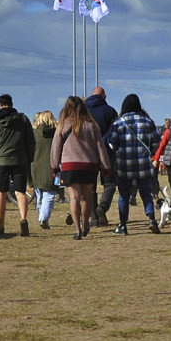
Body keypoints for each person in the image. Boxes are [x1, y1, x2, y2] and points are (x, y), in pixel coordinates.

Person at [51, 96, 111, 239]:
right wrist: (107, 166)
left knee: (74, 198)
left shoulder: (62, 125)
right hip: (89, 165)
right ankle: (85, 226)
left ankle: (77, 230)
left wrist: (54, 167)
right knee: (86, 198)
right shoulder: (92, 125)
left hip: (69, 165)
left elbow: (55, 148)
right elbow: (100, 147)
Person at [104, 93, 161, 235]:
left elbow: (111, 143)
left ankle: (123, 225)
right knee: (146, 194)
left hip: (124, 165)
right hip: (144, 164)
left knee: (123, 195)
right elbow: (156, 142)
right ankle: (152, 220)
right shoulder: (148, 121)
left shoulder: (119, 122)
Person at [0, 93, 36, 237]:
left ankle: (1, 225)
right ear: (12, 104)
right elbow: (31, 141)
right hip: (20, 160)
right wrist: (29, 157)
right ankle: (23, 218)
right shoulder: (23, 119)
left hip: (2, 161)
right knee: (20, 191)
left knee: (0, 192)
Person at [85, 86, 118, 227]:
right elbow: (114, 131)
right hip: (106, 152)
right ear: (104, 96)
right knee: (109, 183)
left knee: (90, 186)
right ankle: (102, 207)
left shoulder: (82, 111)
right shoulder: (110, 111)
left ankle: (94, 219)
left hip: (87, 153)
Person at [30, 111, 58, 229]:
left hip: (35, 167)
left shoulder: (34, 134)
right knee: (49, 195)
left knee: (39, 195)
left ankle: (41, 216)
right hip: (51, 167)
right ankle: (43, 218)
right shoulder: (56, 134)